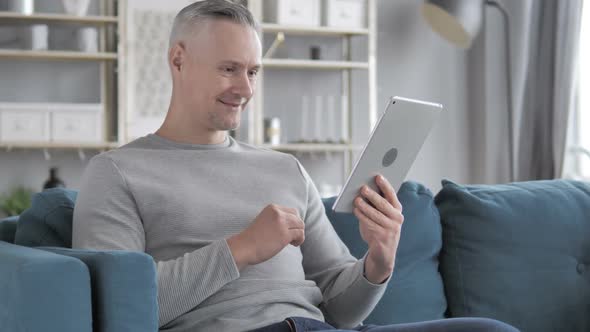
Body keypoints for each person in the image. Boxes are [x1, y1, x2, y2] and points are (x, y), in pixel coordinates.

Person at [72, 1, 518, 332]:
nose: (244, 89)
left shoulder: (285, 170)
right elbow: (119, 309)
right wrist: (241, 248)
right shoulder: (117, 173)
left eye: (253, 71)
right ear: (178, 59)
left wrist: (378, 261)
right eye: (229, 69)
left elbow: (340, 308)